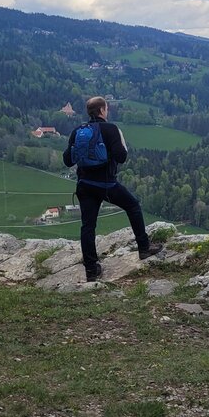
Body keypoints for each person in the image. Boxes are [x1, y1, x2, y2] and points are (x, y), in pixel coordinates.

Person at [63, 97, 163, 282]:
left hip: (84, 185)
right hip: (106, 184)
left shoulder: (78, 131)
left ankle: (92, 270)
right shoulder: (110, 129)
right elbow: (121, 157)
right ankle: (144, 247)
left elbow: (68, 160)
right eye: (106, 108)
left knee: (88, 226)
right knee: (133, 206)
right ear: (102, 110)